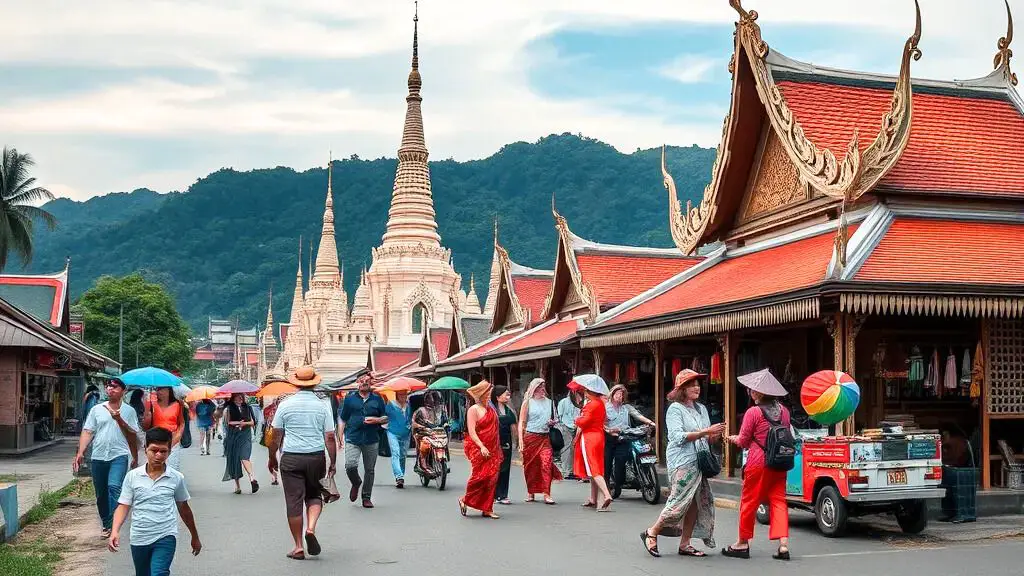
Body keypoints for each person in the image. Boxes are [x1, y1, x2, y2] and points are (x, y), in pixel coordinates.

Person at [641, 370, 724, 558]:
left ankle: (685, 543)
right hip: (682, 461)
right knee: (678, 502)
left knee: (694, 503)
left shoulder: (701, 409)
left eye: (697, 384)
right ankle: (651, 532)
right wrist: (705, 432)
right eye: (691, 385)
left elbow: (706, 438)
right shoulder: (675, 409)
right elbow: (677, 437)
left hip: (699, 461)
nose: (696, 387)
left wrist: (714, 435)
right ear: (682, 389)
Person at [108, 427, 201, 575]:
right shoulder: (133, 477)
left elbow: (184, 508)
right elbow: (123, 506)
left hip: (165, 535)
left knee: (159, 573)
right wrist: (114, 531)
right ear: (145, 449)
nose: (158, 455)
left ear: (170, 451)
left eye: (163, 451)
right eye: (154, 450)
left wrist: (194, 536)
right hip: (139, 537)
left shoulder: (176, 478)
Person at [268, 366, 338, 560]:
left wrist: (271, 457)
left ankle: (298, 546)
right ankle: (311, 528)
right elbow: (330, 437)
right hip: (316, 457)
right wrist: (332, 462)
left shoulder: (285, 405)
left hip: (291, 457)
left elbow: (275, 436)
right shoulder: (323, 405)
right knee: (314, 494)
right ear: (315, 383)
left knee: (294, 502)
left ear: (295, 383)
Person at [724, 368, 792, 560]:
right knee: (778, 501)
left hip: (758, 462)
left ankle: (742, 543)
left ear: (760, 393)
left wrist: (732, 438)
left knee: (749, 501)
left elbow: (744, 441)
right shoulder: (784, 412)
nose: (750, 392)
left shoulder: (753, 412)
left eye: (752, 389)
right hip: (779, 462)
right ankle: (783, 545)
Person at [73, 378, 140, 539]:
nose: (110, 389)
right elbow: (88, 431)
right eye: (108, 386)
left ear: (123, 391)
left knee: (114, 487)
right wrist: (80, 452)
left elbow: (132, 434)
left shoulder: (129, 411)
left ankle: (112, 525)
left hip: (119, 455)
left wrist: (135, 456)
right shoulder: (97, 409)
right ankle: (105, 522)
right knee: (101, 493)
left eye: (115, 387)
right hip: (98, 456)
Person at [338, 375, 388, 508]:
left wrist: (376, 420)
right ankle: (356, 482)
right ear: (357, 383)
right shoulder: (349, 399)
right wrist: (340, 437)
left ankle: (366, 497)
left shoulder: (378, 399)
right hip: (353, 437)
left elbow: (385, 418)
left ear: (371, 383)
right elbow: (343, 419)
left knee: (369, 470)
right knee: (350, 465)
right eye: (361, 381)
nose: (364, 382)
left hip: (371, 438)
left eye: (366, 381)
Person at [459, 380, 503, 519]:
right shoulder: (473, 410)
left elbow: (495, 430)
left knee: (492, 479)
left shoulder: (491, 409)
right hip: (479, 447)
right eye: (488, 392)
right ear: (481, 394)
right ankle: (465, 499)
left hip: (493, 448)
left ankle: (487, 508)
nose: (490, 395)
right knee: (480, 477)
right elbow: (472, 432)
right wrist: (482, 446)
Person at [605, 384, 656, 497]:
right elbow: (601, 423)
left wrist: (651, 423)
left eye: (622, 394)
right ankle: (606, 490)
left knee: (621, 461)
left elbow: (638, 416)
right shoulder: (605, 407)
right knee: (607, 465)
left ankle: (619, 483)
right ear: (612, 394)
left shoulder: (626, 408)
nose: (620, 396)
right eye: (617, 393)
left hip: (624, 437)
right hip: (609, 439)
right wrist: (609, 430)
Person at [518, 378, 561, 504]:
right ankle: (531, 492)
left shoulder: (550, 402)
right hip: (530, 437)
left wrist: (553, 422)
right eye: (539, 387)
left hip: (545, 437)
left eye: (543, 386)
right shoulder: (528, 402)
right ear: (534, 389)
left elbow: (556, 418)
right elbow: (522, 421)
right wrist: (520, 440)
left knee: (546, 463)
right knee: (530, 466)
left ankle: (547, 493)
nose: (542, 389)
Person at [575, 384, 613, 511]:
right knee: (596, 467)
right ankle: (593, 498)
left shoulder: (591, 405)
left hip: (589, 438)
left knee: (593, 468)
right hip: (599, 436)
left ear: (589, 392)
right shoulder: (601, 404)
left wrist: (577, 419)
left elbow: (584, 422)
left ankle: (607, 494)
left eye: (585, 390)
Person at [223, 393, 259, 494]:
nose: (240, 398)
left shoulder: (248, 408)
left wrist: (244, 423)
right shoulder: (229, 408)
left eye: (241, 396)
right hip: (233, 436)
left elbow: (252, 422)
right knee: (234, 460)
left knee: (244, 457)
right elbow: (228, 422)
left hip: (245, 435)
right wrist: (239, 423)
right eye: (238, 396)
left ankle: (252, 479)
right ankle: (237, 486)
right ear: (233, 398)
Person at [143, 386, 185, 471]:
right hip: (155, 440)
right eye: (157, 389)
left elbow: (182, 422)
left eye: (161, 389)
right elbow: (145, 426)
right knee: (155, 467)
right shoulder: (151, 403)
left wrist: (178, 435)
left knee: (172, 468)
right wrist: (148, 412)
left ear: (168, 390)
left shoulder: (178, 404)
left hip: (173, 439)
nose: (159, 392)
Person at [493, 385, 517, 505]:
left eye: (508, 394)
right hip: (494, 443)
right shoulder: (492, 410)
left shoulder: (510, 411)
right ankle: (494, 494)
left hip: (507, 443)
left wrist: (517, 442)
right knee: (495, 468)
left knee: (505, 469)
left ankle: (503, 494)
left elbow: (514, 427)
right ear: (497, 397)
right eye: (505, 394)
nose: (508, 396)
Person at [412, 391, 448, 471]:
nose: (433, 401)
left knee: (444, 442)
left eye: (435, 399)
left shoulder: (441, 409)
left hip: (438, 433)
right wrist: (420, 426)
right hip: (424, 433)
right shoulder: (420, 410)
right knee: (425, 444)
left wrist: (446, 424)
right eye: (431, 399)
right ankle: (423, 463)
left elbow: (444, 420)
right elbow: (413, 423)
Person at [385, 389, 412, 489]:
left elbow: (409, 418)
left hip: (406, 433)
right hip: (392, 432)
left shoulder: (408, 405)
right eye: (401, 394)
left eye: (405, 394)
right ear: (397, 395)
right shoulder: (391, 404)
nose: (403, 396)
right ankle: (399, 476)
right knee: (395, 453)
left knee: (403, 455)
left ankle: (401, 476)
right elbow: (385, 416)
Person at [556, 391, 580, 479]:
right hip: (565, 426)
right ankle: (566, 471)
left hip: (576, 427)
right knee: (566, 449)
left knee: (574, 449)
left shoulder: (579, 404)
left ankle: (573, 470)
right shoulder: (563, 402)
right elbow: (559, 415)